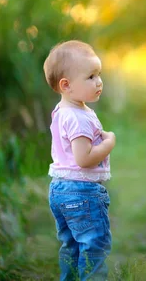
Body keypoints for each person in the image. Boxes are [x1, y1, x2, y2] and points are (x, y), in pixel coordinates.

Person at [43, 40, 116, 280]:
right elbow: (83, 159)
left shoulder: (62, 110)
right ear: (66, 85)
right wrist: (108, 143)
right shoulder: (78, 118)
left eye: (99, 74)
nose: (99, 82)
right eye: (91, 76)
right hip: (81, 191)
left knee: (71, 247)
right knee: (94, 247)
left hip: (60, 189)